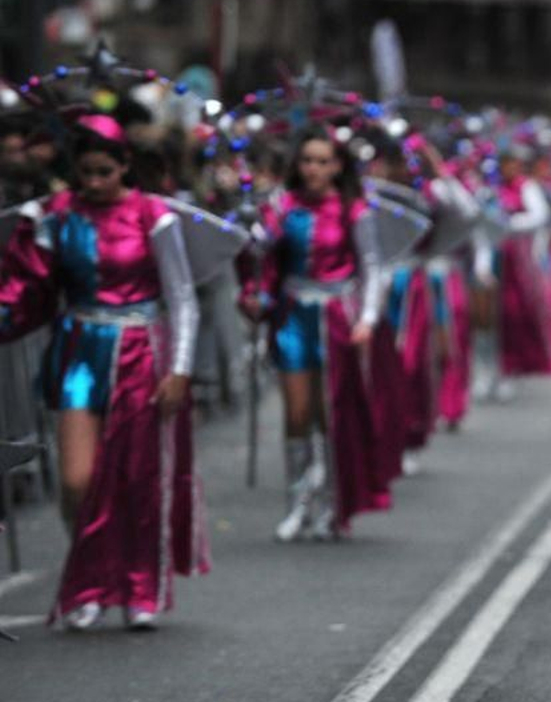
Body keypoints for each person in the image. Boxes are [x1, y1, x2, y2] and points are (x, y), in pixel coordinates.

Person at [0, 115, 225, 629]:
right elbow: (29, 285)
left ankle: (141, 584)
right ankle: (90, 578)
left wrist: (182, 369)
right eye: (85, 173)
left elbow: (182, 299)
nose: (95, 183)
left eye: (104, 171)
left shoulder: (155, 216)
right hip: (79, 348)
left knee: (138, 478)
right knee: (78, 480)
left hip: (141, 351)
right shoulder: (59, 215)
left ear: (125, 165)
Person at [238, 127, 403, 541]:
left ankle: (332, 500)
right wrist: (251, 226)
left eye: (323, 161)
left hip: (337, 317)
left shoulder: (355, 210)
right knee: (297, 414)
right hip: (293, 314)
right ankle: (297, 502)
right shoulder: (281, 205)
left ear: (338, 166)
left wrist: (366, 318)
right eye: (307, 160)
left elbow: (373, 266)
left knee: (331, 414)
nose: (313, 169)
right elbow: (260, 255)